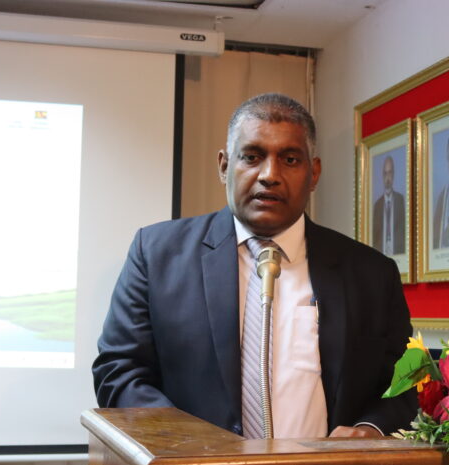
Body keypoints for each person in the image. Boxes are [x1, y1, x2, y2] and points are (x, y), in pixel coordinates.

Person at [92, 93, 416, 439]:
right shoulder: (157, 254)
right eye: (251, 157)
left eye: (290, 159)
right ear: (224, 166)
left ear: (314, 173)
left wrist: (370, 429)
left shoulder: (371, 273)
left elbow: (404, 384)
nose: (269, 175)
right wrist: (191, 444)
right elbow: (119, 372)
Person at [372, 155, 406, 256]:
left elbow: (404, 232)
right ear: (382, 176)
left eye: (390, 173)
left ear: (393, 174)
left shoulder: (400, 200)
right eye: (385, 173)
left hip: (398, 254)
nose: (387, 178)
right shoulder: (377, 205)